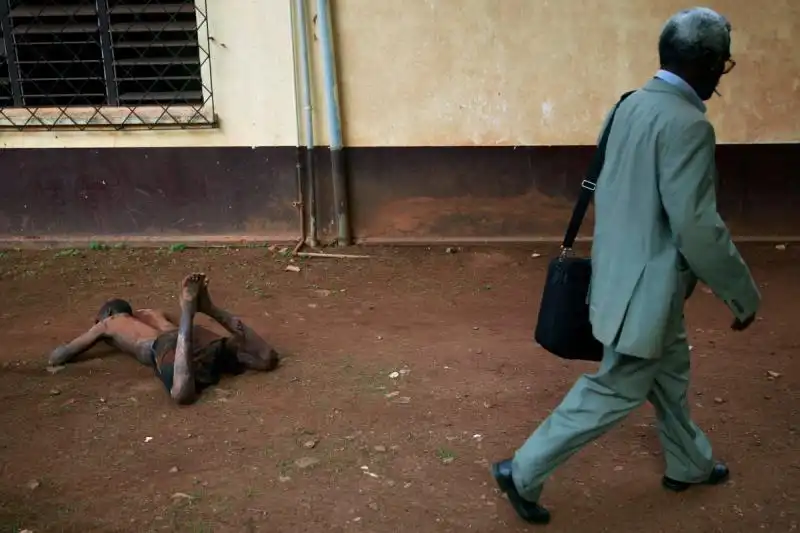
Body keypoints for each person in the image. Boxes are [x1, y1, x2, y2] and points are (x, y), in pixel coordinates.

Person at [491, 7, 761, 525]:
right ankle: (522, 471)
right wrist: (741, 294)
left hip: (622, 274)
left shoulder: (627, 106)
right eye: (721, 64)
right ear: (704, 64)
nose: (720, 76)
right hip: (649, 288)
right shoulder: (687, 127)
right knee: (619, 385)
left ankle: (690, 462)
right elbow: (698, 227)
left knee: (670, 374)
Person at [48, 273, 280, 405]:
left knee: (181, 393)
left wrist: (61, 349)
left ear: (107, 314)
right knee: (264, 358)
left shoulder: (107, 324)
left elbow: (60, 356)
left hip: (169, 347)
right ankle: (208, 309)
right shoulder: (154, 312)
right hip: (197, 336)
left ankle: (189, 311)